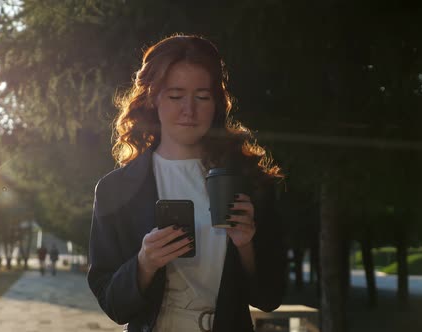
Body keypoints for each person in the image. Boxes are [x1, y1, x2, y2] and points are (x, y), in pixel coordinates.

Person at [87, 34, 286, 332]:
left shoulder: (251, 183)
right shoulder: (115, 190)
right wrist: (144, 263)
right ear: (153, 98)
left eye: (202, 97)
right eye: (176, 96)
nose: (189, 110)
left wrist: (246, 247)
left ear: (217, 103)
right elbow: (114, 305)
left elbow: (269, 298)